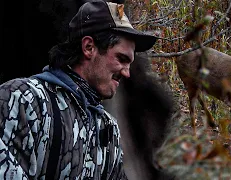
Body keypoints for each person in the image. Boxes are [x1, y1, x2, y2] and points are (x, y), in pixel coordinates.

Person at [0, 0, 157, 179]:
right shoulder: (21, 100)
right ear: (89, 47)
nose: (127, 73)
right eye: (121, 59)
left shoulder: (108, 128)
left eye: (130, 63)